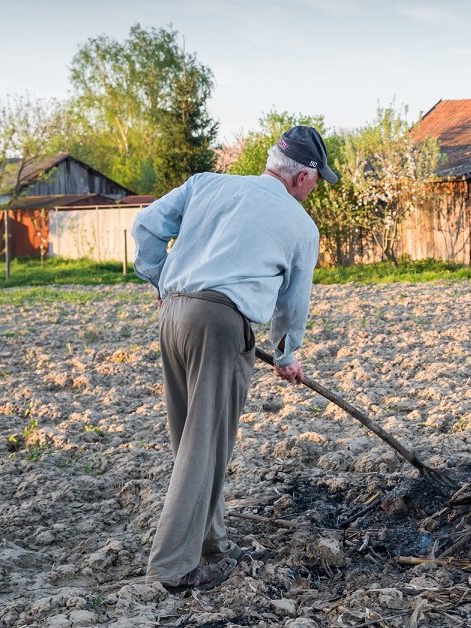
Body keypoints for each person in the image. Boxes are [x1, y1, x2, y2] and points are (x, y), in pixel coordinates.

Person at [132, 126, 338, 593]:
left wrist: (160, 282)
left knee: (189, 439)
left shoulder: (207, 183)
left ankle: (213, 543)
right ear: (303, 177)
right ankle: (172, 567)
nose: (315, 188)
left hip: (175, 314)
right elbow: (292, 304)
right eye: (317, 180)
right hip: (221, 326)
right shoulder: (301, 226)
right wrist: (287, 354)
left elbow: (144, 225)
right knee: (204, 445)